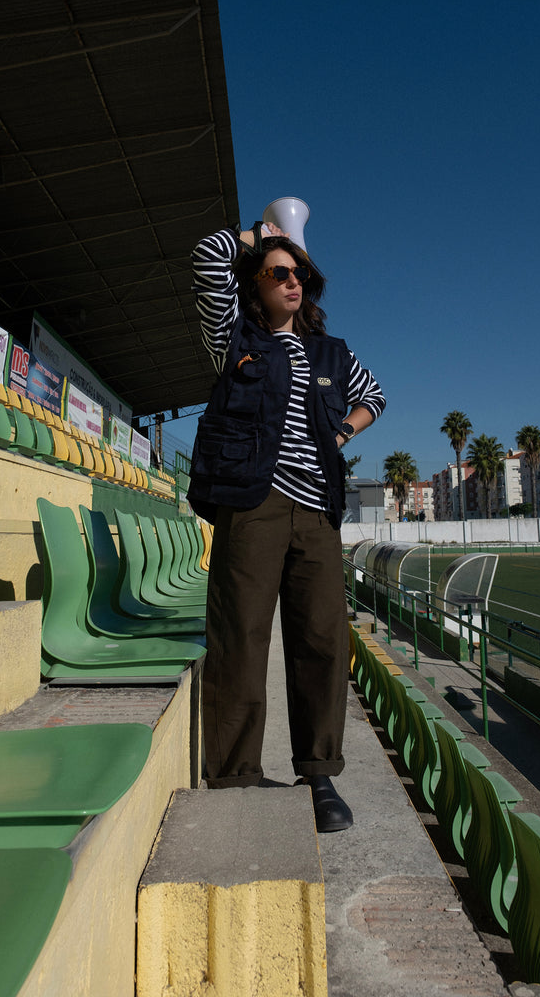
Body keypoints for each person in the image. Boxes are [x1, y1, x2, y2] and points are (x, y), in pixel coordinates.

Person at [187, 218, 385, 831]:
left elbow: (374, 397)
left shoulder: (332, 352)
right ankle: (236, 772)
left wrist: (341, 431)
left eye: (300, 273)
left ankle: (319, 772)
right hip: (253, 502)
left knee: (323, 639)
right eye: (279, 273)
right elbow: (206, 259)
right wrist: (256, 236)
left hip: (318, 508)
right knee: (241, 636)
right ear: (256, 283)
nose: (293, 281)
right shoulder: (233, 335)